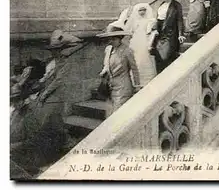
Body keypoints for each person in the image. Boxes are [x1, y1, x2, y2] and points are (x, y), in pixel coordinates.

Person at [10, 30, 82, 173]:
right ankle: (57, 146)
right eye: (53, 50)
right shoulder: (55, 62)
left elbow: (57, 81)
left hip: (57, 97)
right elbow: (47, 78)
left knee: (50, 121)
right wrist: (39, 88)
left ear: (62, 50)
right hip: (47, 96)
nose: (54, 53)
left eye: (56, 50)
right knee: (46, 123)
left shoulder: (66, 63)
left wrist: (43, 94)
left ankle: (61, 146)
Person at [97, 23, 141, 115]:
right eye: (109, 39)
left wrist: (137, 85)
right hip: (110, 86)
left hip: (123, 87)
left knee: (119, 113)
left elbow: (134, 69)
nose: (111, 41)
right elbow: (107, 64)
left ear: (119, 38)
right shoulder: (108, 49)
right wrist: (104, 71)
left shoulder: (127, 51)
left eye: (114, 39)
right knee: (110, 113)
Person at [149, 0, 185, 73]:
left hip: (171, 34)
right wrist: (155, 29)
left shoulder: (176, 5)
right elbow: (158, 20)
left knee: (167, 55)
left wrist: (181, 34)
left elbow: (179, 20)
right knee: (158, 55)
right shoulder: (161, 6)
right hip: (160, 35)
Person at [125, 3, 157, 87]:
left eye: (144, 10)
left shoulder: (150, 20)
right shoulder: (134, 21)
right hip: (136, 41)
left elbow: (151, 31)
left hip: (145, 40)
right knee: (136, 60)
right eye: (140, 10)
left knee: (145, 59)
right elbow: (130, 31)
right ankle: (136, 81)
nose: (142, 12)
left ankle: (147, 81)